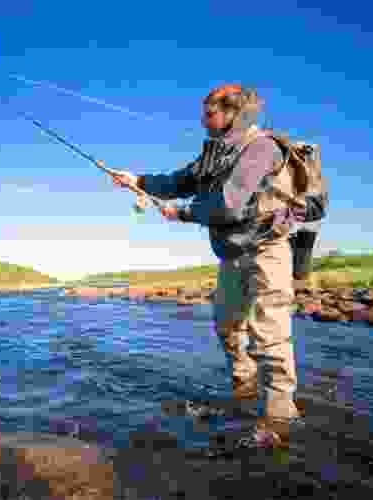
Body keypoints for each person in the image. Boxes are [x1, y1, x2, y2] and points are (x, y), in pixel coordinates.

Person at [112, 83, 305, 449]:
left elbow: (231, 203)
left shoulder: (261, 148)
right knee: (228, 327)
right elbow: (177, 182)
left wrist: (182, 213)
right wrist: (136, 180)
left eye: (210, 112)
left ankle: (282, 415)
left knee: (270, 335)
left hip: (267, 250)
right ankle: (245, 392)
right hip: (232, 255)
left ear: (234, 113)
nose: (203, 118)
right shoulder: (213, 154)